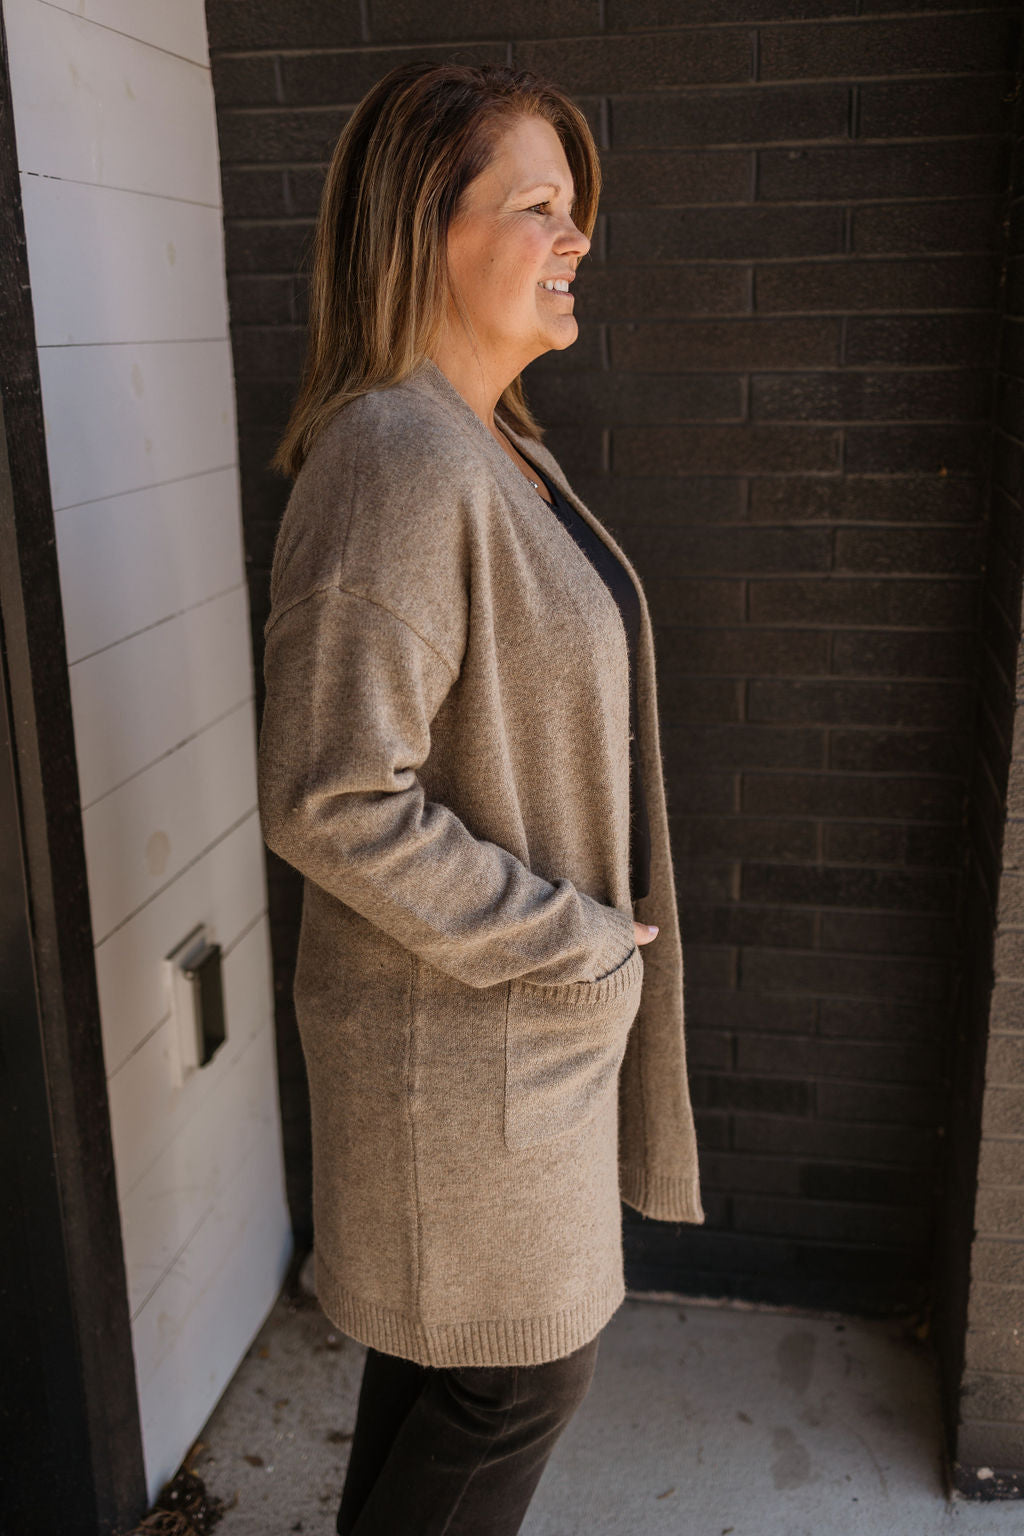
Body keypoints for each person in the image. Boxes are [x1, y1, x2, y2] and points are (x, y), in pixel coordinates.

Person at [256, 59, 705, 1536]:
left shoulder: (493, 443)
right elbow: (331, 796)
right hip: (464, 1066)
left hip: (507, 1053)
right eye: (539, 205)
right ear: (425, 231)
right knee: (510, 1383)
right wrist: (575, 941)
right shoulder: (397, 457)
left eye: (576, 208)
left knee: (454, 1378)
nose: (578, 238)